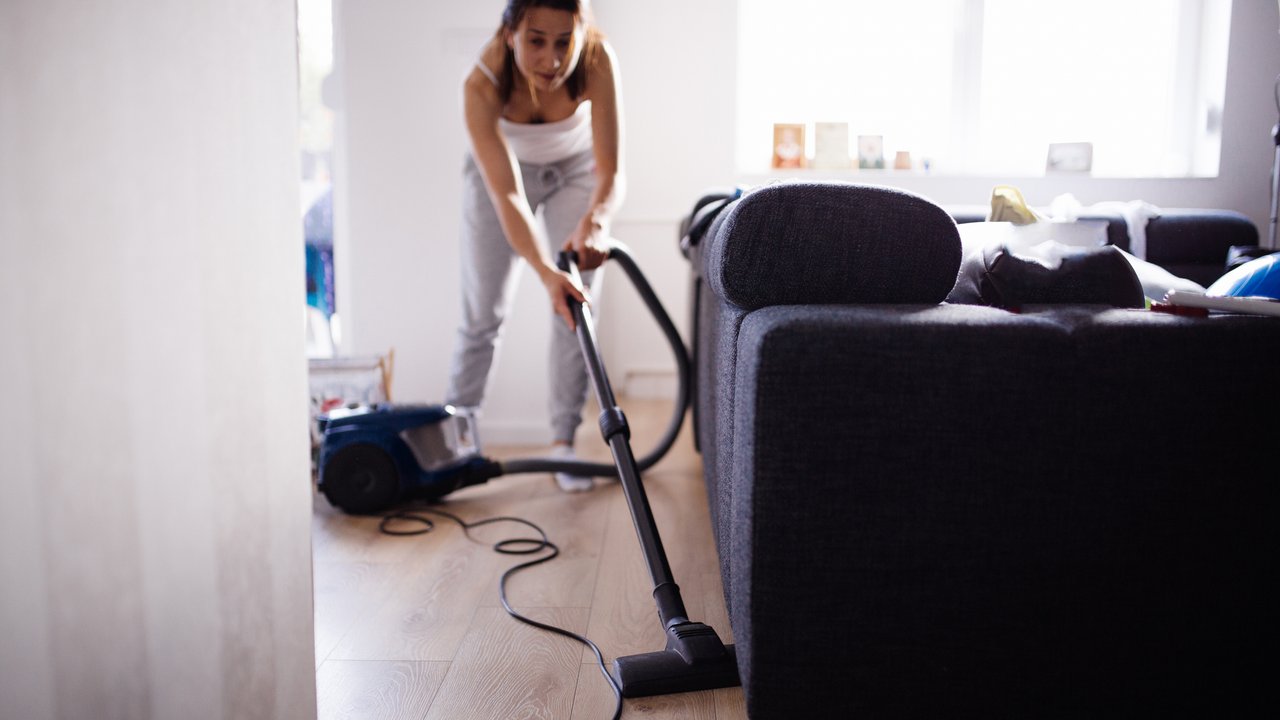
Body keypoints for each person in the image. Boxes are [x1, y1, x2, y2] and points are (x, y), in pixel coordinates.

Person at [445, 0, 624, 492]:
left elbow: (610, 171)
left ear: (581, 32)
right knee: (483, 313)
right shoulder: (481, 86)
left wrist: (595, 223)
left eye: (564, 41)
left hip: (576, 171)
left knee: (575, 306)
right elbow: (507, 196)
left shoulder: (597, 60)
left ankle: (563, 444)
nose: (552, 59)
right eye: (536, 41)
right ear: (510, 34)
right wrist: (547, 272)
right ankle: (457, 444)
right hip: (502, 179)